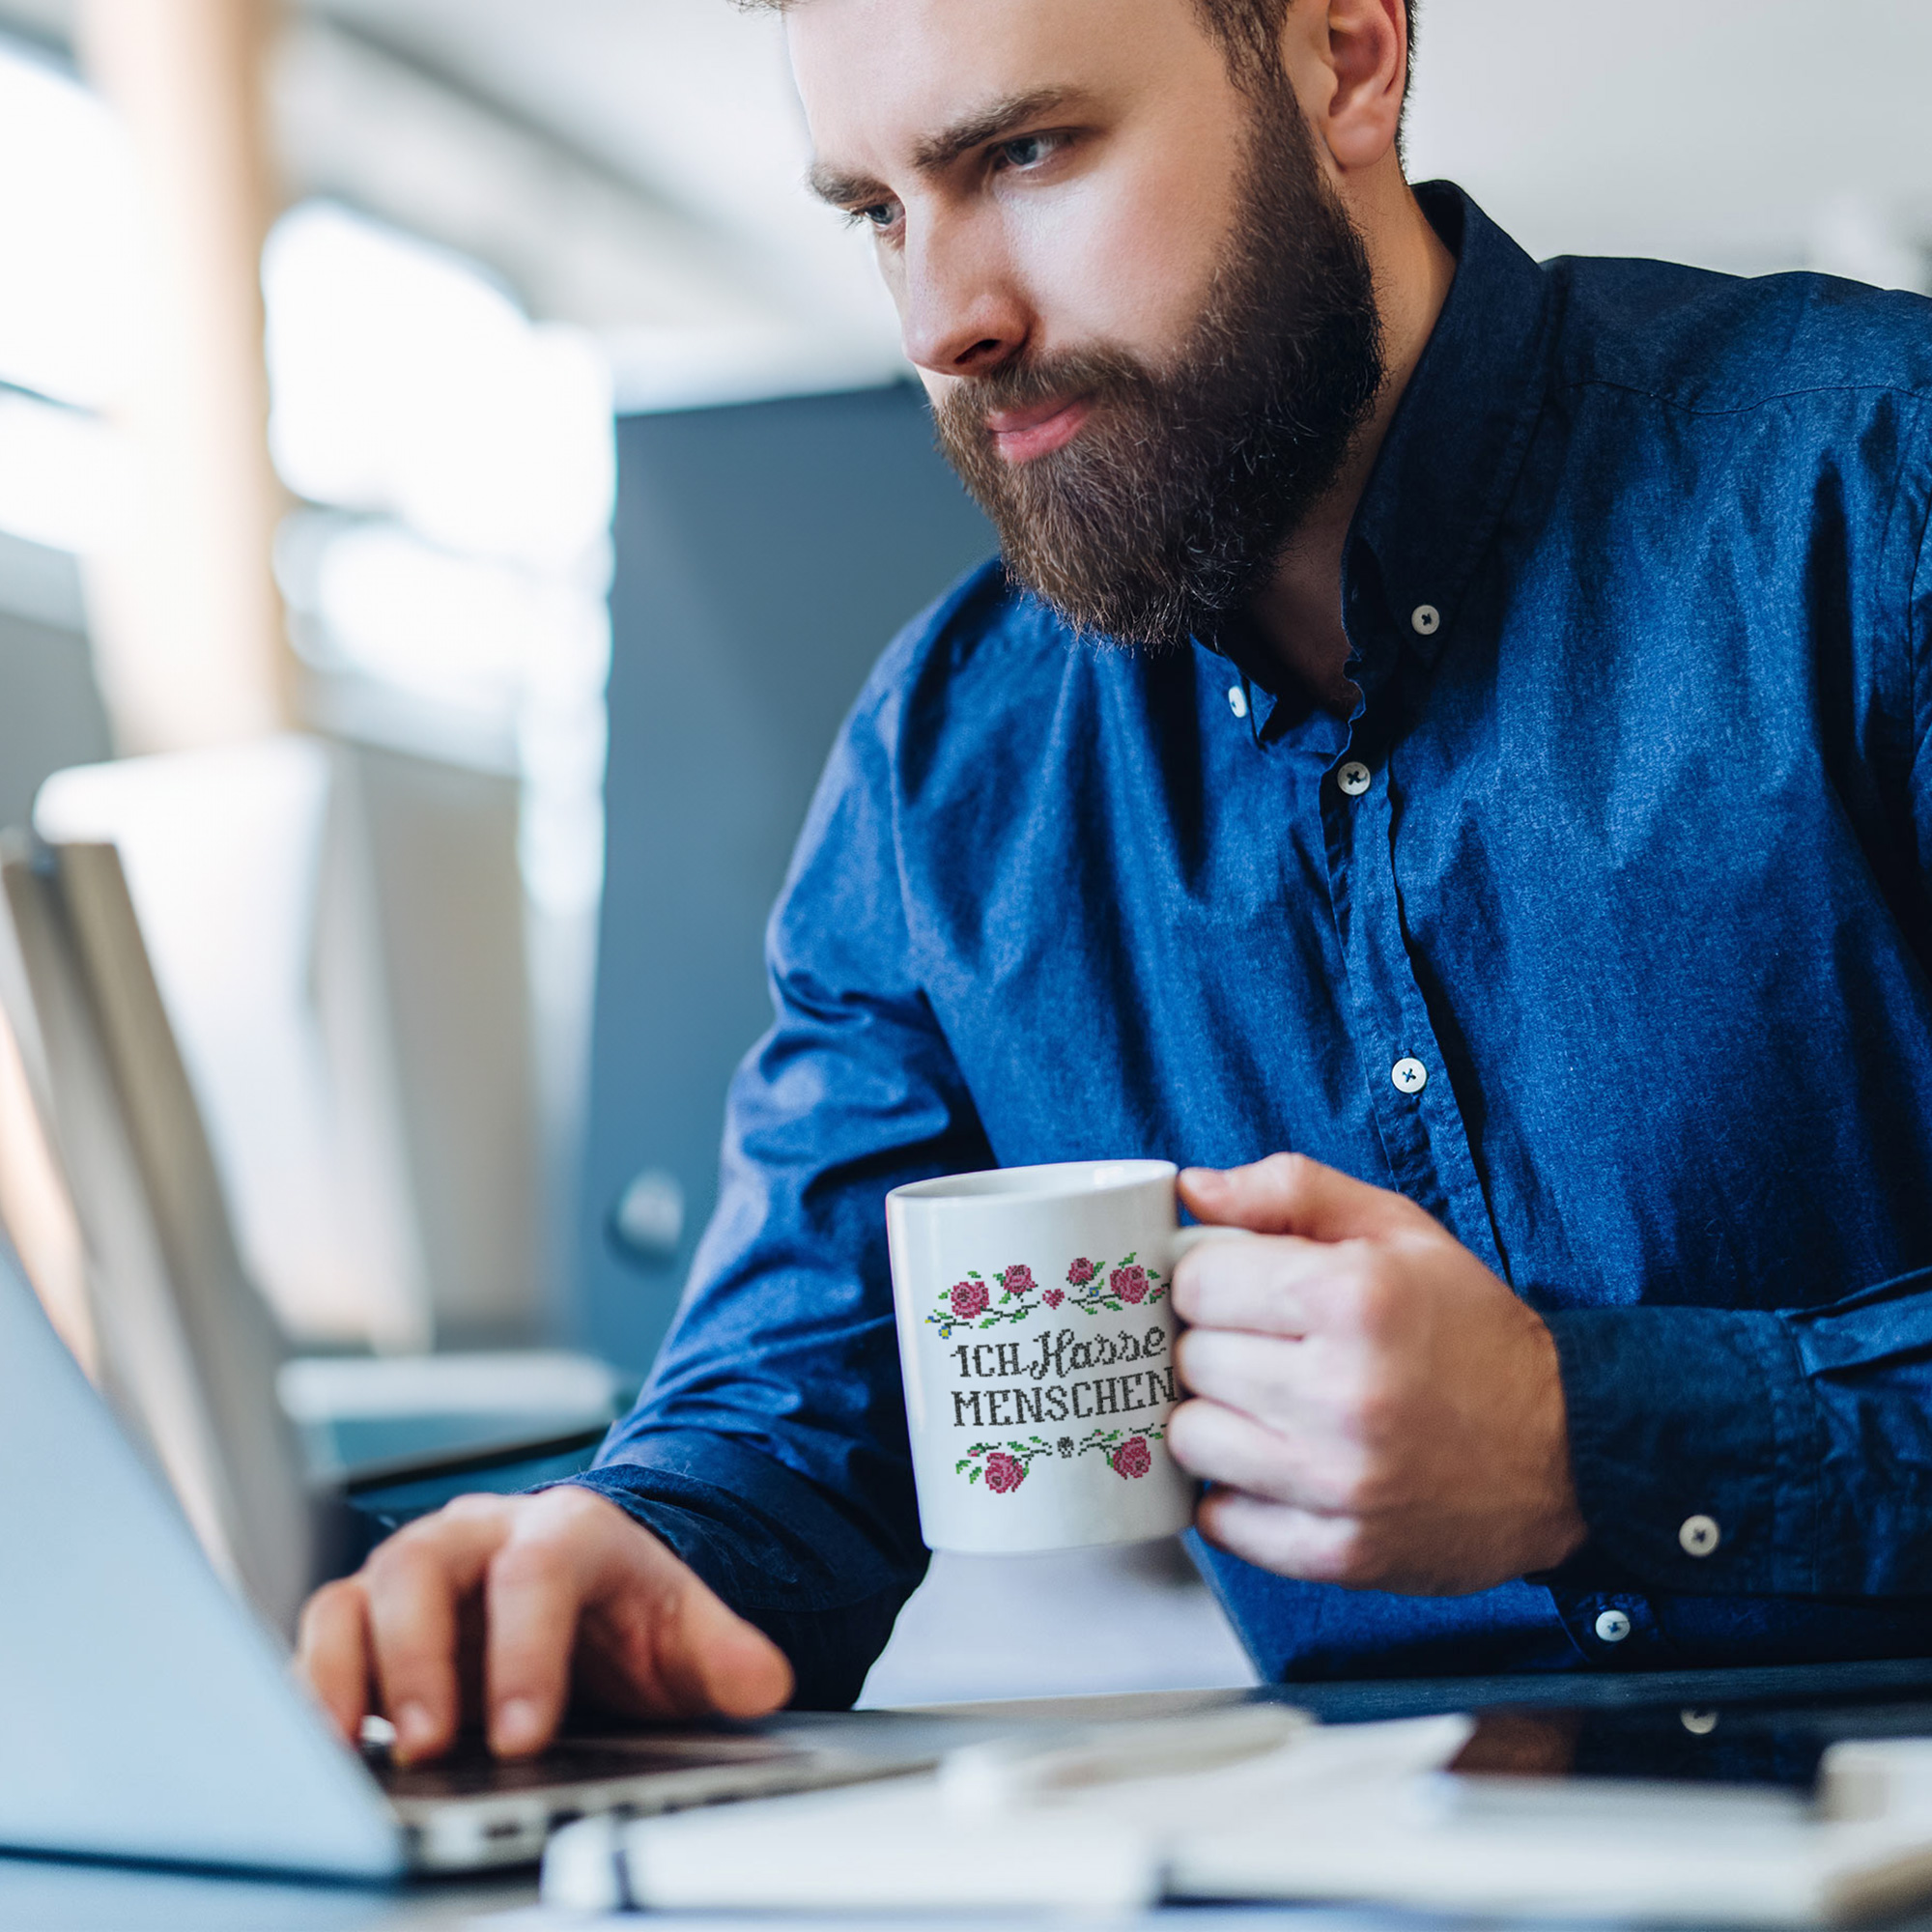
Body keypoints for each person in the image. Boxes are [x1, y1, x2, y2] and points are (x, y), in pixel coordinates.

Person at [298, 0, 1932, 1764]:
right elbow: (784, 1418)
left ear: (1346, 59)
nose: (944, 321)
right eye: (875, 211)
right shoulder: (946, 769)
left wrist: (1585, 1437)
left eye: (1024, 152)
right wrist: (621, 1558)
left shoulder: (1879, 485)